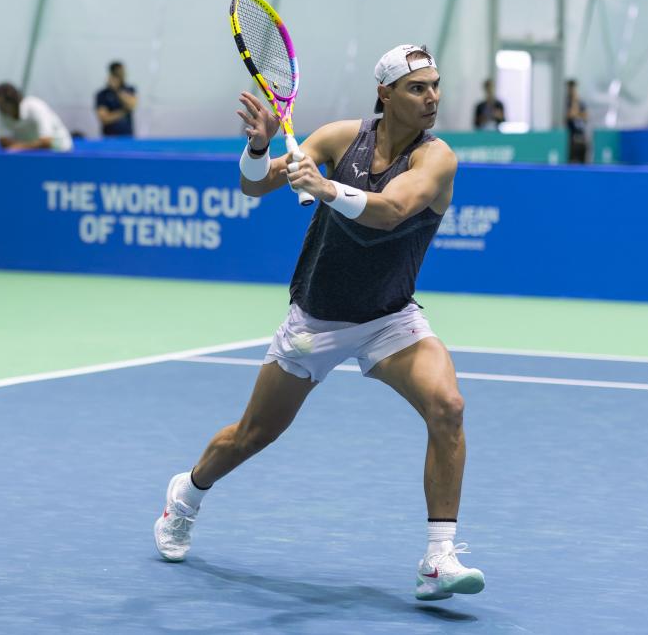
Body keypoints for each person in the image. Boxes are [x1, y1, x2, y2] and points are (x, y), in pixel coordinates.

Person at [154, 44, 485, 602]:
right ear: (385, 94)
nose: (432, 97)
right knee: (251, 436)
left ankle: (438, 559)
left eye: (434, 85)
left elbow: (394, 211)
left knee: (448, 407)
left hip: (389, 318)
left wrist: (327, 188)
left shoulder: (437, 158)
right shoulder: (338, 139)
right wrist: (259, 148)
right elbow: (254, 185)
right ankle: (186, 494)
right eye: (417, 87)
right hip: (317, 319)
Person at [0, 82, 73, 152]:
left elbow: (47, 142)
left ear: (12, 102)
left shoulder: (35, 106)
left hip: (60, 153)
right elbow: (3, 141)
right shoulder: (3, 114)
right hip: (32, 155)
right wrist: (27, 146)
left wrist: (20, 146)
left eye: (1, 104)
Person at [95, 61, 137, 137]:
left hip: (127, 136)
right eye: (120, 73)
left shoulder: (130, 90)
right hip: (109, 137)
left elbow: (132, 105)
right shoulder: (102, 94)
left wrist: (117, 90)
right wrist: (123, 112)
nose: (123, 75)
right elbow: (104, 118)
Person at [565, 79, 589, 163]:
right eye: (570, 88)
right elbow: (570, 115)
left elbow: (586, 116)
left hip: (581, 136)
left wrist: (577, 114)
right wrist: (574, 103)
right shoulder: (566, 102)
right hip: (571, 137)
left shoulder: (581, 102)